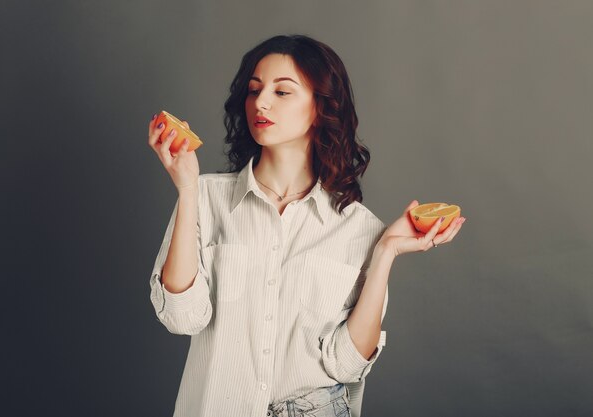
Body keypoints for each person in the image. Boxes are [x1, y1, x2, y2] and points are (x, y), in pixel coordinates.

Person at [147, 34, 465, 417]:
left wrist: (385, 253)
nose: (261, 102)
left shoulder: (360, 229)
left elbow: (346, 365)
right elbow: (181, 317)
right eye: (254, 90)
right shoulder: (204, 198)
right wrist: (186, 189)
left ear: (321, 107)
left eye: (282, 92)